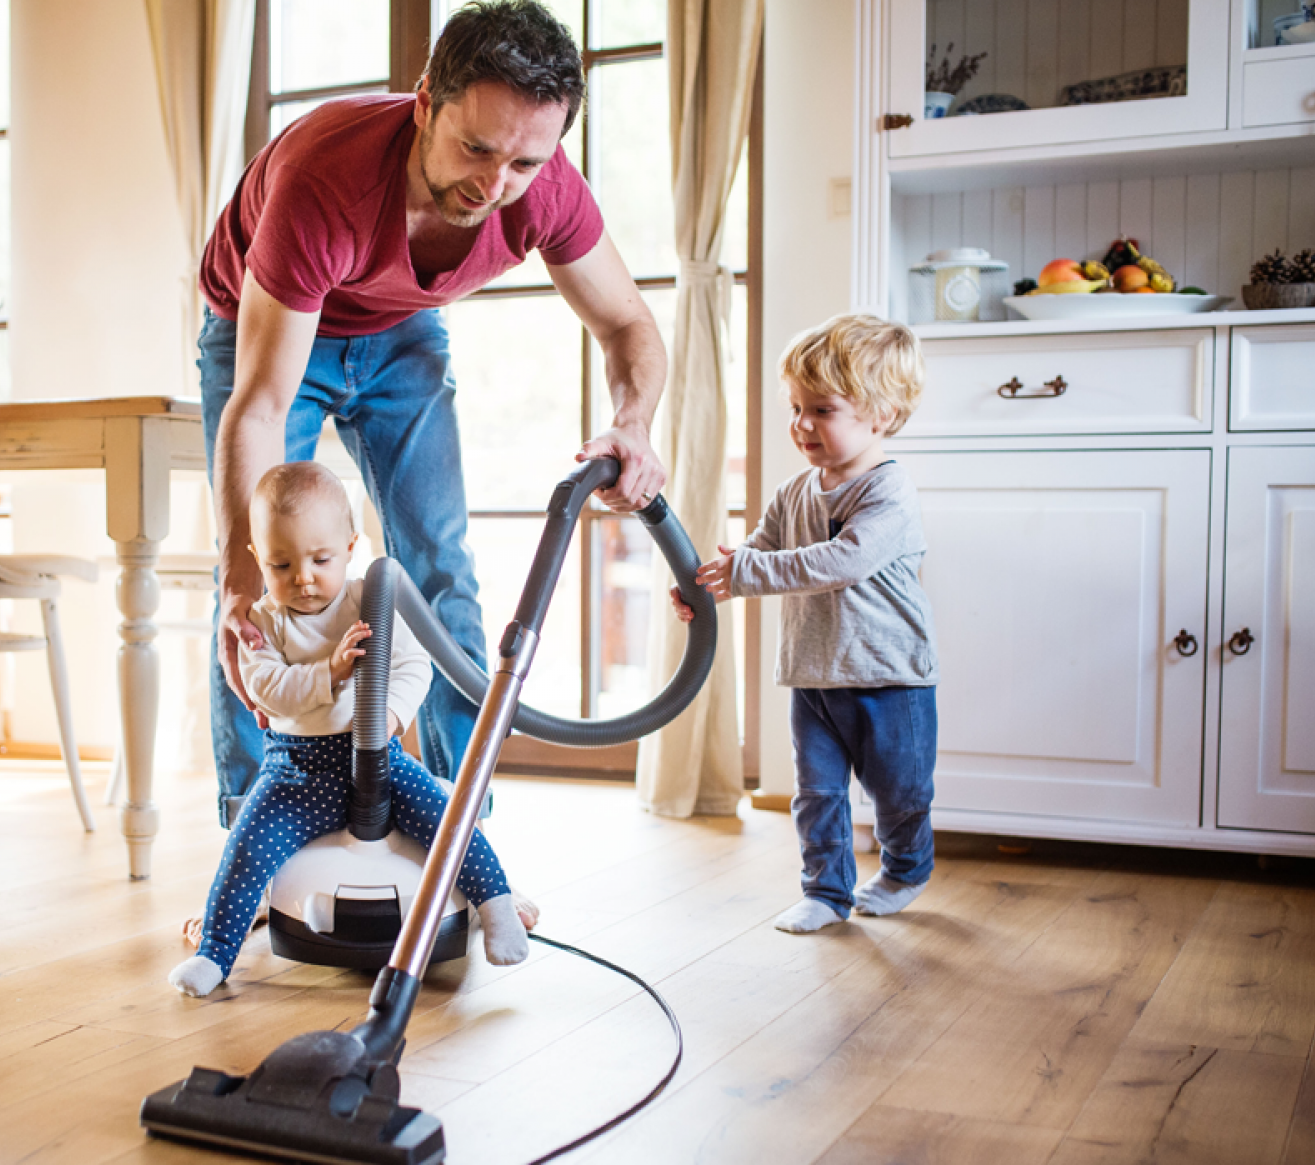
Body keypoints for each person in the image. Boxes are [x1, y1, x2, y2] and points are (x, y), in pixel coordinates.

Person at [199, 0, 667, 821]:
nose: (494, 186)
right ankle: (254, 831)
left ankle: (459, 831)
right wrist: (240, 575)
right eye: (475, 149)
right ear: (424, 104)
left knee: (440, 567)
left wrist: (634, 425)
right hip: (267, 331)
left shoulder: (544, 187)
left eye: (524, 164)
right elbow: (262, 403)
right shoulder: (325, 178)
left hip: (399, 329)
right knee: (257, 583)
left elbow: (628, 324)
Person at [170, 463, 531, 997]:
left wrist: (387, 717)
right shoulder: (262, 621)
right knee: (246, 846)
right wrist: (328, 673)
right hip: (294, 770)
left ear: (350, 545)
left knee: (447, 818)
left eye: (321, 559)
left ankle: (497, 907)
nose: (304, 578)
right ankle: (216, 954)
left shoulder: (370, 599)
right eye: (281, 563)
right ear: (256, 559)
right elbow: (265, 686)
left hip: (377, 761)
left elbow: (414, 666)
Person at [673, 314, 938, 935]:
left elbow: (843, 561)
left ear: (883, 414)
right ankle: (825, 891)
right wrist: (708, 586)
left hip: (888, 678)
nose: (801, 424)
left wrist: (747, 573)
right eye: (796, 407)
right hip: (813, 675)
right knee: (816, 794)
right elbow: (757, 555)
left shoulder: (889, 492)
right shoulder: (794, 491)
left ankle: (905, 870)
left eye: (821, 410)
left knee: (898, 794)